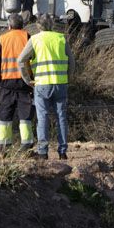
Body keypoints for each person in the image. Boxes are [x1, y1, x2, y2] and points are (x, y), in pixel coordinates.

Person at [18, 13, 76, 160]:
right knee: (61, 117)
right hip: (60, 83)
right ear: (52, 25)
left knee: (42, 117)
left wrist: (27, 80)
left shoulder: (35, 39)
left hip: (42, 84)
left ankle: (43, 152)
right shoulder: (61, 38)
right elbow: (72, 62)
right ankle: (62, 152)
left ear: (38, 26)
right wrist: (67, 78)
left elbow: (20, 60)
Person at [0, 13, 34, 155]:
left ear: (9, 25)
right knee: (25, 115)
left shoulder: (2, 39)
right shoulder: (28, 37)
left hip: (6, 83)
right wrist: (33, 81)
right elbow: (33, 61)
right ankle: (26, 144)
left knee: (4, 115)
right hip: (24, 83)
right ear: (23, 25)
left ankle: (3, 146)